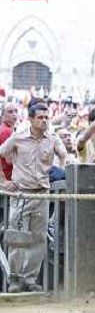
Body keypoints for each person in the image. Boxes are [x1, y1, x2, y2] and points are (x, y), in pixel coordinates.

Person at [0, 103, 67, 293]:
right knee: (17, 237)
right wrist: (4, 182)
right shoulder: (18, 138)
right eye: (40, 117)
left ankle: (29, 279)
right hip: (21, 194)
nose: (44, 120)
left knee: (39, 238)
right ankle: (14, 278)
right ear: (31, 119)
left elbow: (63, 154)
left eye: (46, 117)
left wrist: (59, 170)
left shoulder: (52, 139)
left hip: (42, 194)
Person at [0, 102, 18, 180]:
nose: (14, 114)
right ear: (3, 115)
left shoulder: (5, 129)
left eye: (15, 111)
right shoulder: (6, 131)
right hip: (8, 177)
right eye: (10, 112)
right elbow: (9, 160)